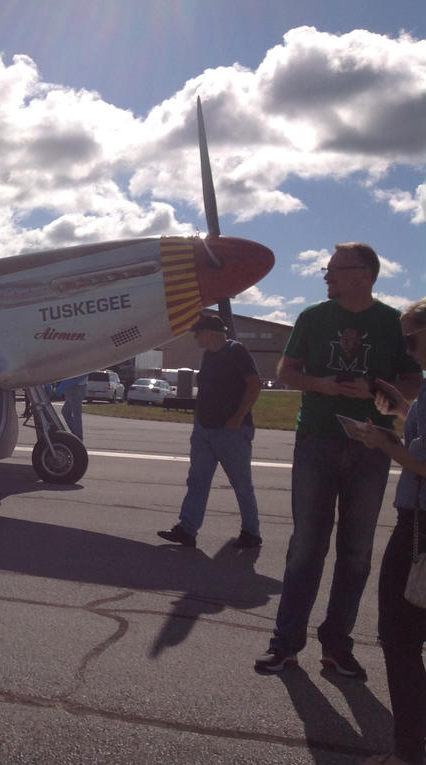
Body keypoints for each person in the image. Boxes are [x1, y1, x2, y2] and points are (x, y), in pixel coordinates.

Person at [255, 243, 422, 679]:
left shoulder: (391, 323)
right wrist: (323, 385)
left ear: (363, 274)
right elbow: (286, 372)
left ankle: (337, 646)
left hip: (372, 446)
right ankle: (285, 644)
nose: (325, 276)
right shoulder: (313, 317)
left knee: (356, 552)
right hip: (316, 440)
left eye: (333, 270)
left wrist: (377, 393)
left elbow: (413, 379)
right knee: (306, 546)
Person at [354, 297, 426, 765]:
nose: (408, 349)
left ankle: (408, 751)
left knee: (399, 640)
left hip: (420, 528)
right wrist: (402, 411)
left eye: (411, 338)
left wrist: (383, 443)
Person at [157, 313, 262, 549]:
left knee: (242, 484)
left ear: (211, 333)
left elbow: (254, 384)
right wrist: (198, 423)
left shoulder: (237, 351)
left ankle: (251, 533)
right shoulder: (208, 356)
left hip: (231, 432)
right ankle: (187, 529)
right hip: (204, 431)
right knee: (197, 481)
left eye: (198, 333)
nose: (195, 337)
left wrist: (238, 418)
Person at [54, 375, 87, 440]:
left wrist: (61, 387)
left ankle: (78, 436)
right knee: (66, 412)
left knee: (76, 415)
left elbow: (76, 376)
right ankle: (76, 434)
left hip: (75, 388)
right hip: (76, 387)